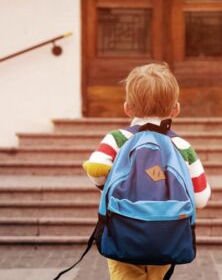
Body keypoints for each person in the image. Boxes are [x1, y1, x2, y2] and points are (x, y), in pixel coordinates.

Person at [83, 62, 211, 280]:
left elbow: (96, 169)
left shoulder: (117, 139)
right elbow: (199, 199)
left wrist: (118, 188)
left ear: (127, 107)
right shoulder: (182, 147)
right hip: (166, 235)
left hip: (122, 230)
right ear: (176, 109)